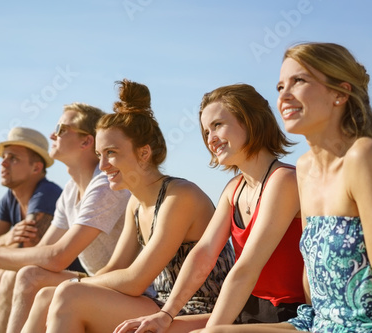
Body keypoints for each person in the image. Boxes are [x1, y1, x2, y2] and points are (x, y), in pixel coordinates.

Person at [195, 42, 372, 333]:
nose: (284, 94)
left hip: (366, 326)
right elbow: (311, 282)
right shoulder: (306, 168)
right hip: (315, 323)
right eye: (280, 86)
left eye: (299, 81)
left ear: (339, 93)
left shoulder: (364, 158)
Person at [19, 79, 235, 333]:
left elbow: (135, 280)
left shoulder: (179, 196)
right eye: (100, 155)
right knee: (48, 295)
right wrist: (76, 282)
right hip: (162, 305)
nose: (103, 166)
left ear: (144, 153)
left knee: (69, 296)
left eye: (111, 152)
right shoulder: (135, 202)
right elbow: (116, 268)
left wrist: (75, 284)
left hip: (201, 311)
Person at [115, 83, 305, 333]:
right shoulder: (233, 189)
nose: (210, 138)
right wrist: (165, 315)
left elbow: (247, 267)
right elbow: (203, 254)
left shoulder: (284, 180)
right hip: (244, 310)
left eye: (217, 125)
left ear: (250, 121)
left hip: (286, 314)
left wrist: (212, 329)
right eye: (206, 131)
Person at [0, 103, 130, 333]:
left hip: (123, 289)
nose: (52, 134)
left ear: (86, 142)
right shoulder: (69, 191)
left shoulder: (105, 185)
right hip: (97, 280)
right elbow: (46, 248)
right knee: (16, 275)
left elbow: (56, 257)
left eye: (61, 128)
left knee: (27, 276)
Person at [0, 126, 62, 323]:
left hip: (65, 276)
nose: (3, 164)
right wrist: (8, 237)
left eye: (13, 158)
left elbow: (25, 249)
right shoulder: (10, 198)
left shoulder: (46, 193)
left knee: (6, 275)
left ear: (36, 168)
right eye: (3, 158)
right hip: (34, 273)